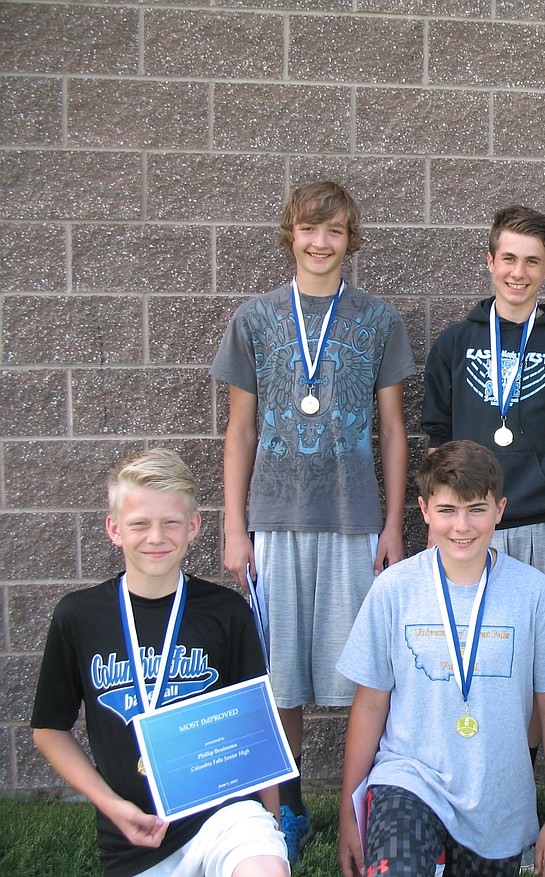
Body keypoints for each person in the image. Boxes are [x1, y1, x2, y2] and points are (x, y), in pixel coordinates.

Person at [210, 180, 416, 863]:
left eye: (333, 231)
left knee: (364, 670)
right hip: (274, 519)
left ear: (350, 238)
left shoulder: (378, 318)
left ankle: (368, 802)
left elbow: (393, 429)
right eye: (308, 229)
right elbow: (239, 431)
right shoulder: (256, 317)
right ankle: (289, 809)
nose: (320, 242)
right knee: (280, 673)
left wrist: (392, 523)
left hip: (355, 519)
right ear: (290, 234)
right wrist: (234, 526)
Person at [30, 449, 289, 877]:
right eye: (139, 524)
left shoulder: (226, 611)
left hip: (223, 815)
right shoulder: (78, 616)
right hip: (133, 832)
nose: (156, 537)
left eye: (171, 522)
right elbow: (49, 730)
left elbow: (255, 728)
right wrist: (111, 806)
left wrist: (270, 825)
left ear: (193, 526)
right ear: (114, 529)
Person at [336, 440, 545, 877]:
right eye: (447, 510)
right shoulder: (394, 590)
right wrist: (347, 816)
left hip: (497, 798)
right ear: (424, 510)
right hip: (408, 779)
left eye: (476, 509)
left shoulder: (533, 594)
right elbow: (371, 704)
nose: (462, 525)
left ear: (500, 509)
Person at [422, 203, 545, 599]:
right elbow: (438, 441)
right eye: (509, 258)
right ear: (490, 261)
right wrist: (437, 529)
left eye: (532, 261)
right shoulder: (454, 344)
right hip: (464, 524)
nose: (518, 273)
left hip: (539, 525)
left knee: (531, 650)